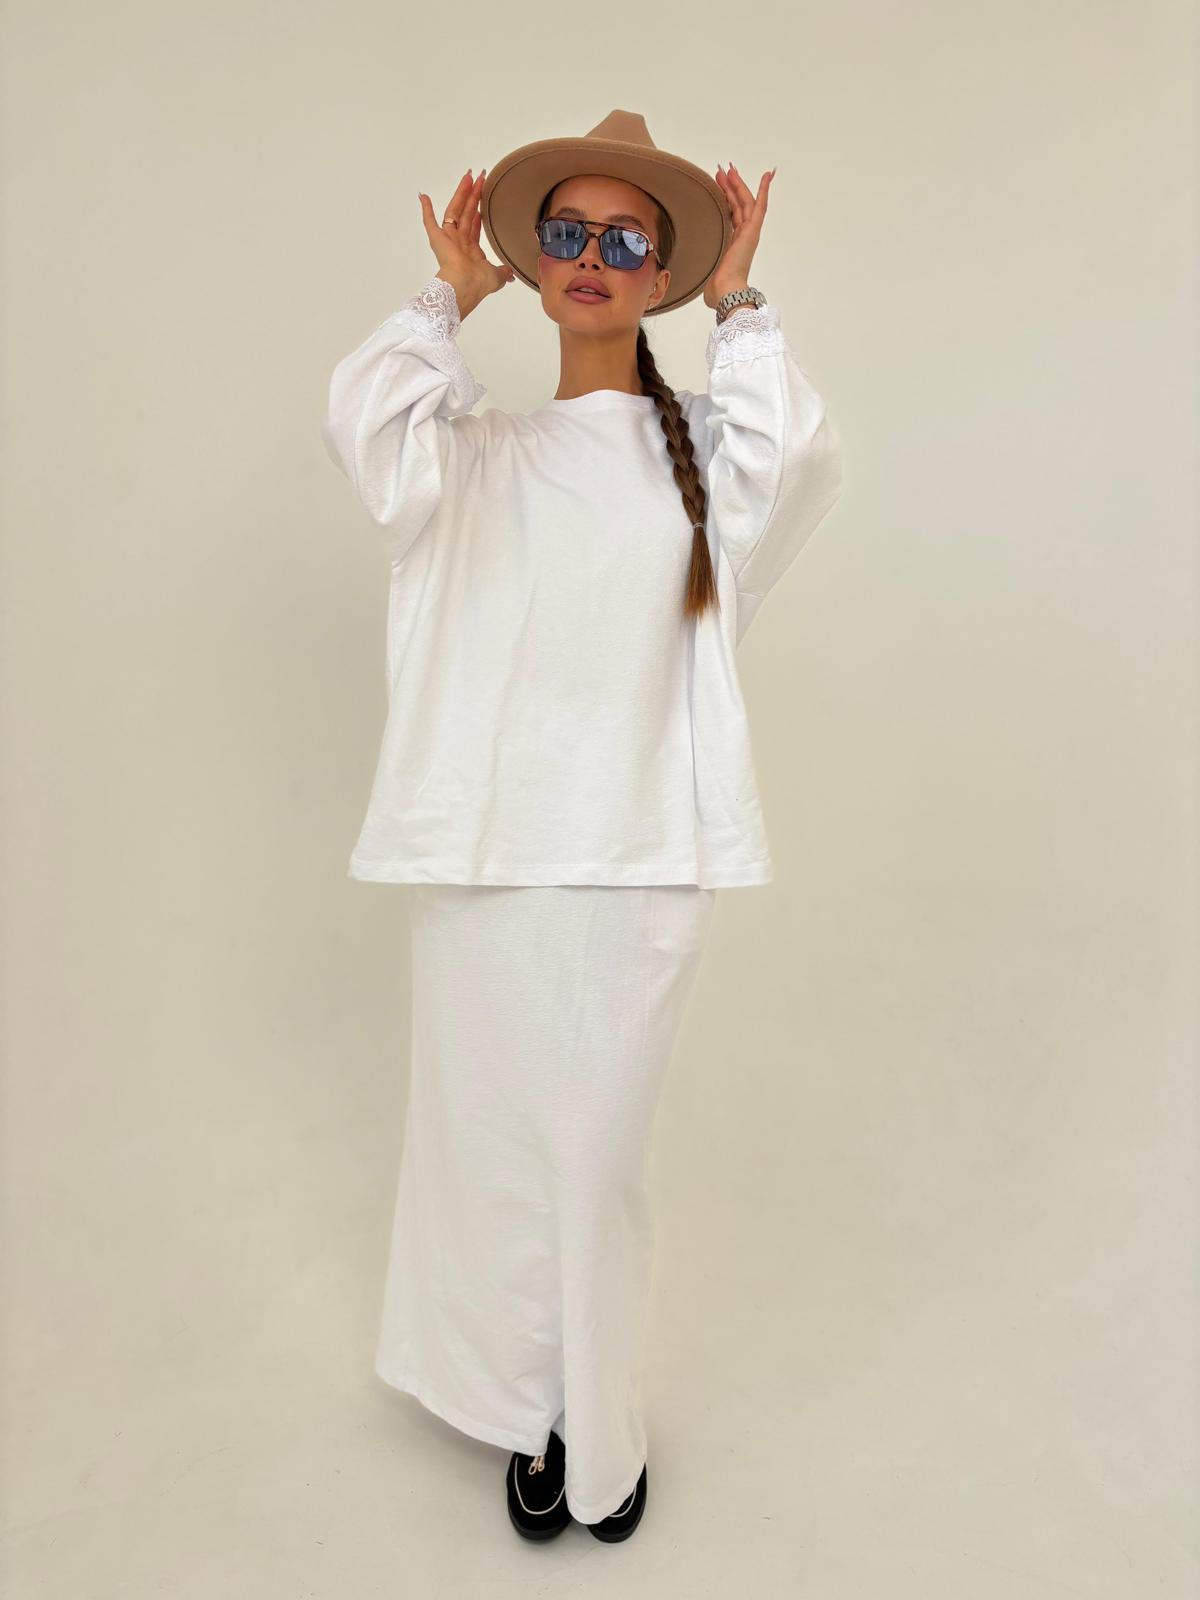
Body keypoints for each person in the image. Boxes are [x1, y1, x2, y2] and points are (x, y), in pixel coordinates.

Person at [320, 109, 845, 1545]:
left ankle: (594, 1428)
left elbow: (800, 457)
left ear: (660, 273)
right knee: (489, 1152)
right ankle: (521, 1409)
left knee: (592, 1160)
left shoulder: (701, 463)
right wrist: (445, 298)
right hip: (482, 861)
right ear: (535, 262)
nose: (593, 257)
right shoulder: (469, 460)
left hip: (640, 859)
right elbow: (362, 424)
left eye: (625, 239)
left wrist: (741, 304)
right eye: (566, 233)